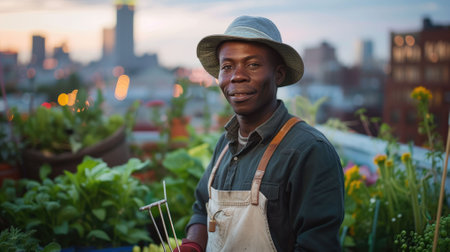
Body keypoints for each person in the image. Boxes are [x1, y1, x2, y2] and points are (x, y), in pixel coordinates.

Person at [175, 15, 344, 252]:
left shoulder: (308, 151)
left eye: (253, 64)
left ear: (279, 74)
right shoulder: (225, 145)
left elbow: (317, 245)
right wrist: (193, 244)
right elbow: (202, 209)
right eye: (227, 67)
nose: (237, 76)